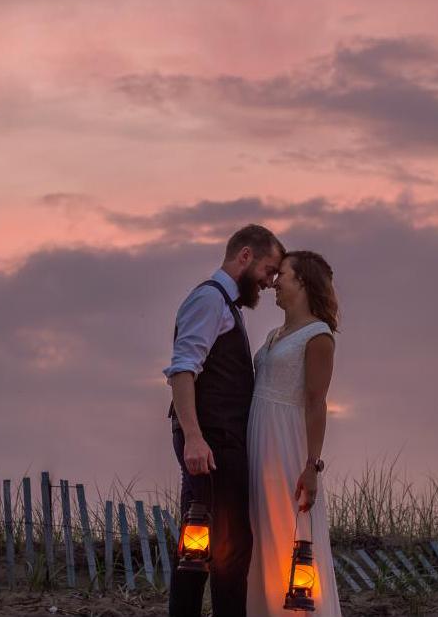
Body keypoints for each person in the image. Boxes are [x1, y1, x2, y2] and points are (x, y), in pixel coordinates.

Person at [164, 224, 286, 617]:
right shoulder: (210, 300)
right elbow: (183, 370)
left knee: (204, 544)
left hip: (221, 439)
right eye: (268, 270)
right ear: (245, 256)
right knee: (224, 548)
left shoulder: (226, 305)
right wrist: (195, 438)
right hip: (213, 440)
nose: (269, 282)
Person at [247, 250, 342, 616]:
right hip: (261, 441)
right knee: (262, 536)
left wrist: (311, 465)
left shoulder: (318, 336)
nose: (274, 283)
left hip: (288, 444)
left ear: (302, 281)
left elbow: (317, 401)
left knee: (290, 534)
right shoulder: (275, 334)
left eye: (282, 275)